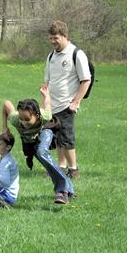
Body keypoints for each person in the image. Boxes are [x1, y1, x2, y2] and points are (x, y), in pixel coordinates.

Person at [2, 84, 74, 204]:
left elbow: (47, 106)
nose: (24, 122)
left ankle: (62, 191)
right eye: (21, 119)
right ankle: (68, 189)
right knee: (47, 163)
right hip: (32, 141)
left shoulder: (44, 117)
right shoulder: (16, 119)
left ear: (37, 115)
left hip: (45, 131)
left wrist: (46, 96)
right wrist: (4, 128)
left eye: (27, 119)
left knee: (41, 152)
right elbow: (6, 103)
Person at [44, 20, 92, 179]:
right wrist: (46, 99)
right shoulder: (51, 55)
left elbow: (86, 80)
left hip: (67, 104)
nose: (52, 42)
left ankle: (74, 170)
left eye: (55, 38)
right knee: (57, 139)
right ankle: (62, 167)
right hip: (53, 105)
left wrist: (76, 102)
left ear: (65, 36)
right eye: (50, 38)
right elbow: (48, 80)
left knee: (67, 139)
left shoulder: (76, 54)